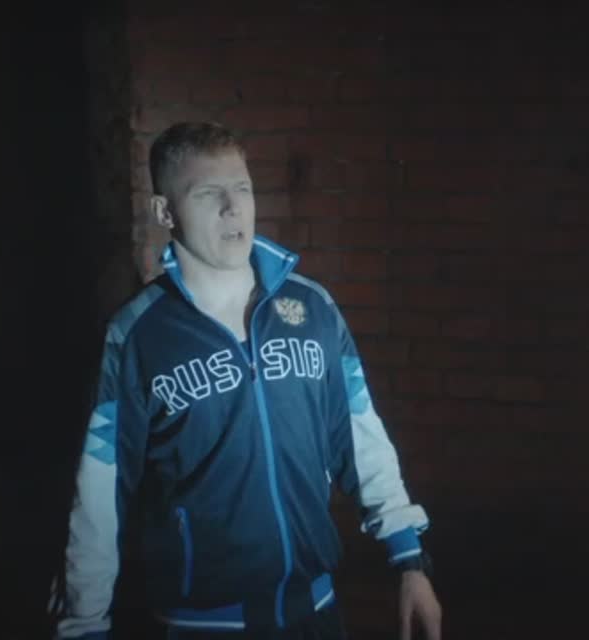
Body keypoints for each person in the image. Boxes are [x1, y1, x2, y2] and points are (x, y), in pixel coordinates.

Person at [53, 121, 442, 640]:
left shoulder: (312, 308)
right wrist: (83, 622)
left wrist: (410, 561)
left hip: (317, 614)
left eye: (241, 188)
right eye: (208, 193)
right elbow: (100, 491)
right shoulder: (137, 336)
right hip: (201, 626)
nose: (232, 208)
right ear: (165, 212)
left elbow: (362, 439)